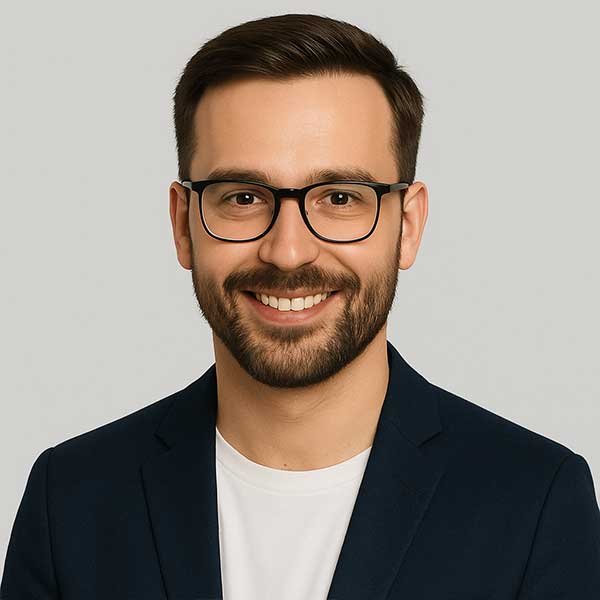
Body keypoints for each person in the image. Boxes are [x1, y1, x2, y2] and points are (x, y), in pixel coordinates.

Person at [2, 12, 600, 600]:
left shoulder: (537, 503)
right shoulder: (71, 500)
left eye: (340, 197)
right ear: (183, 225)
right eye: (242, 197)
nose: (288, 252)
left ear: (409, 225)